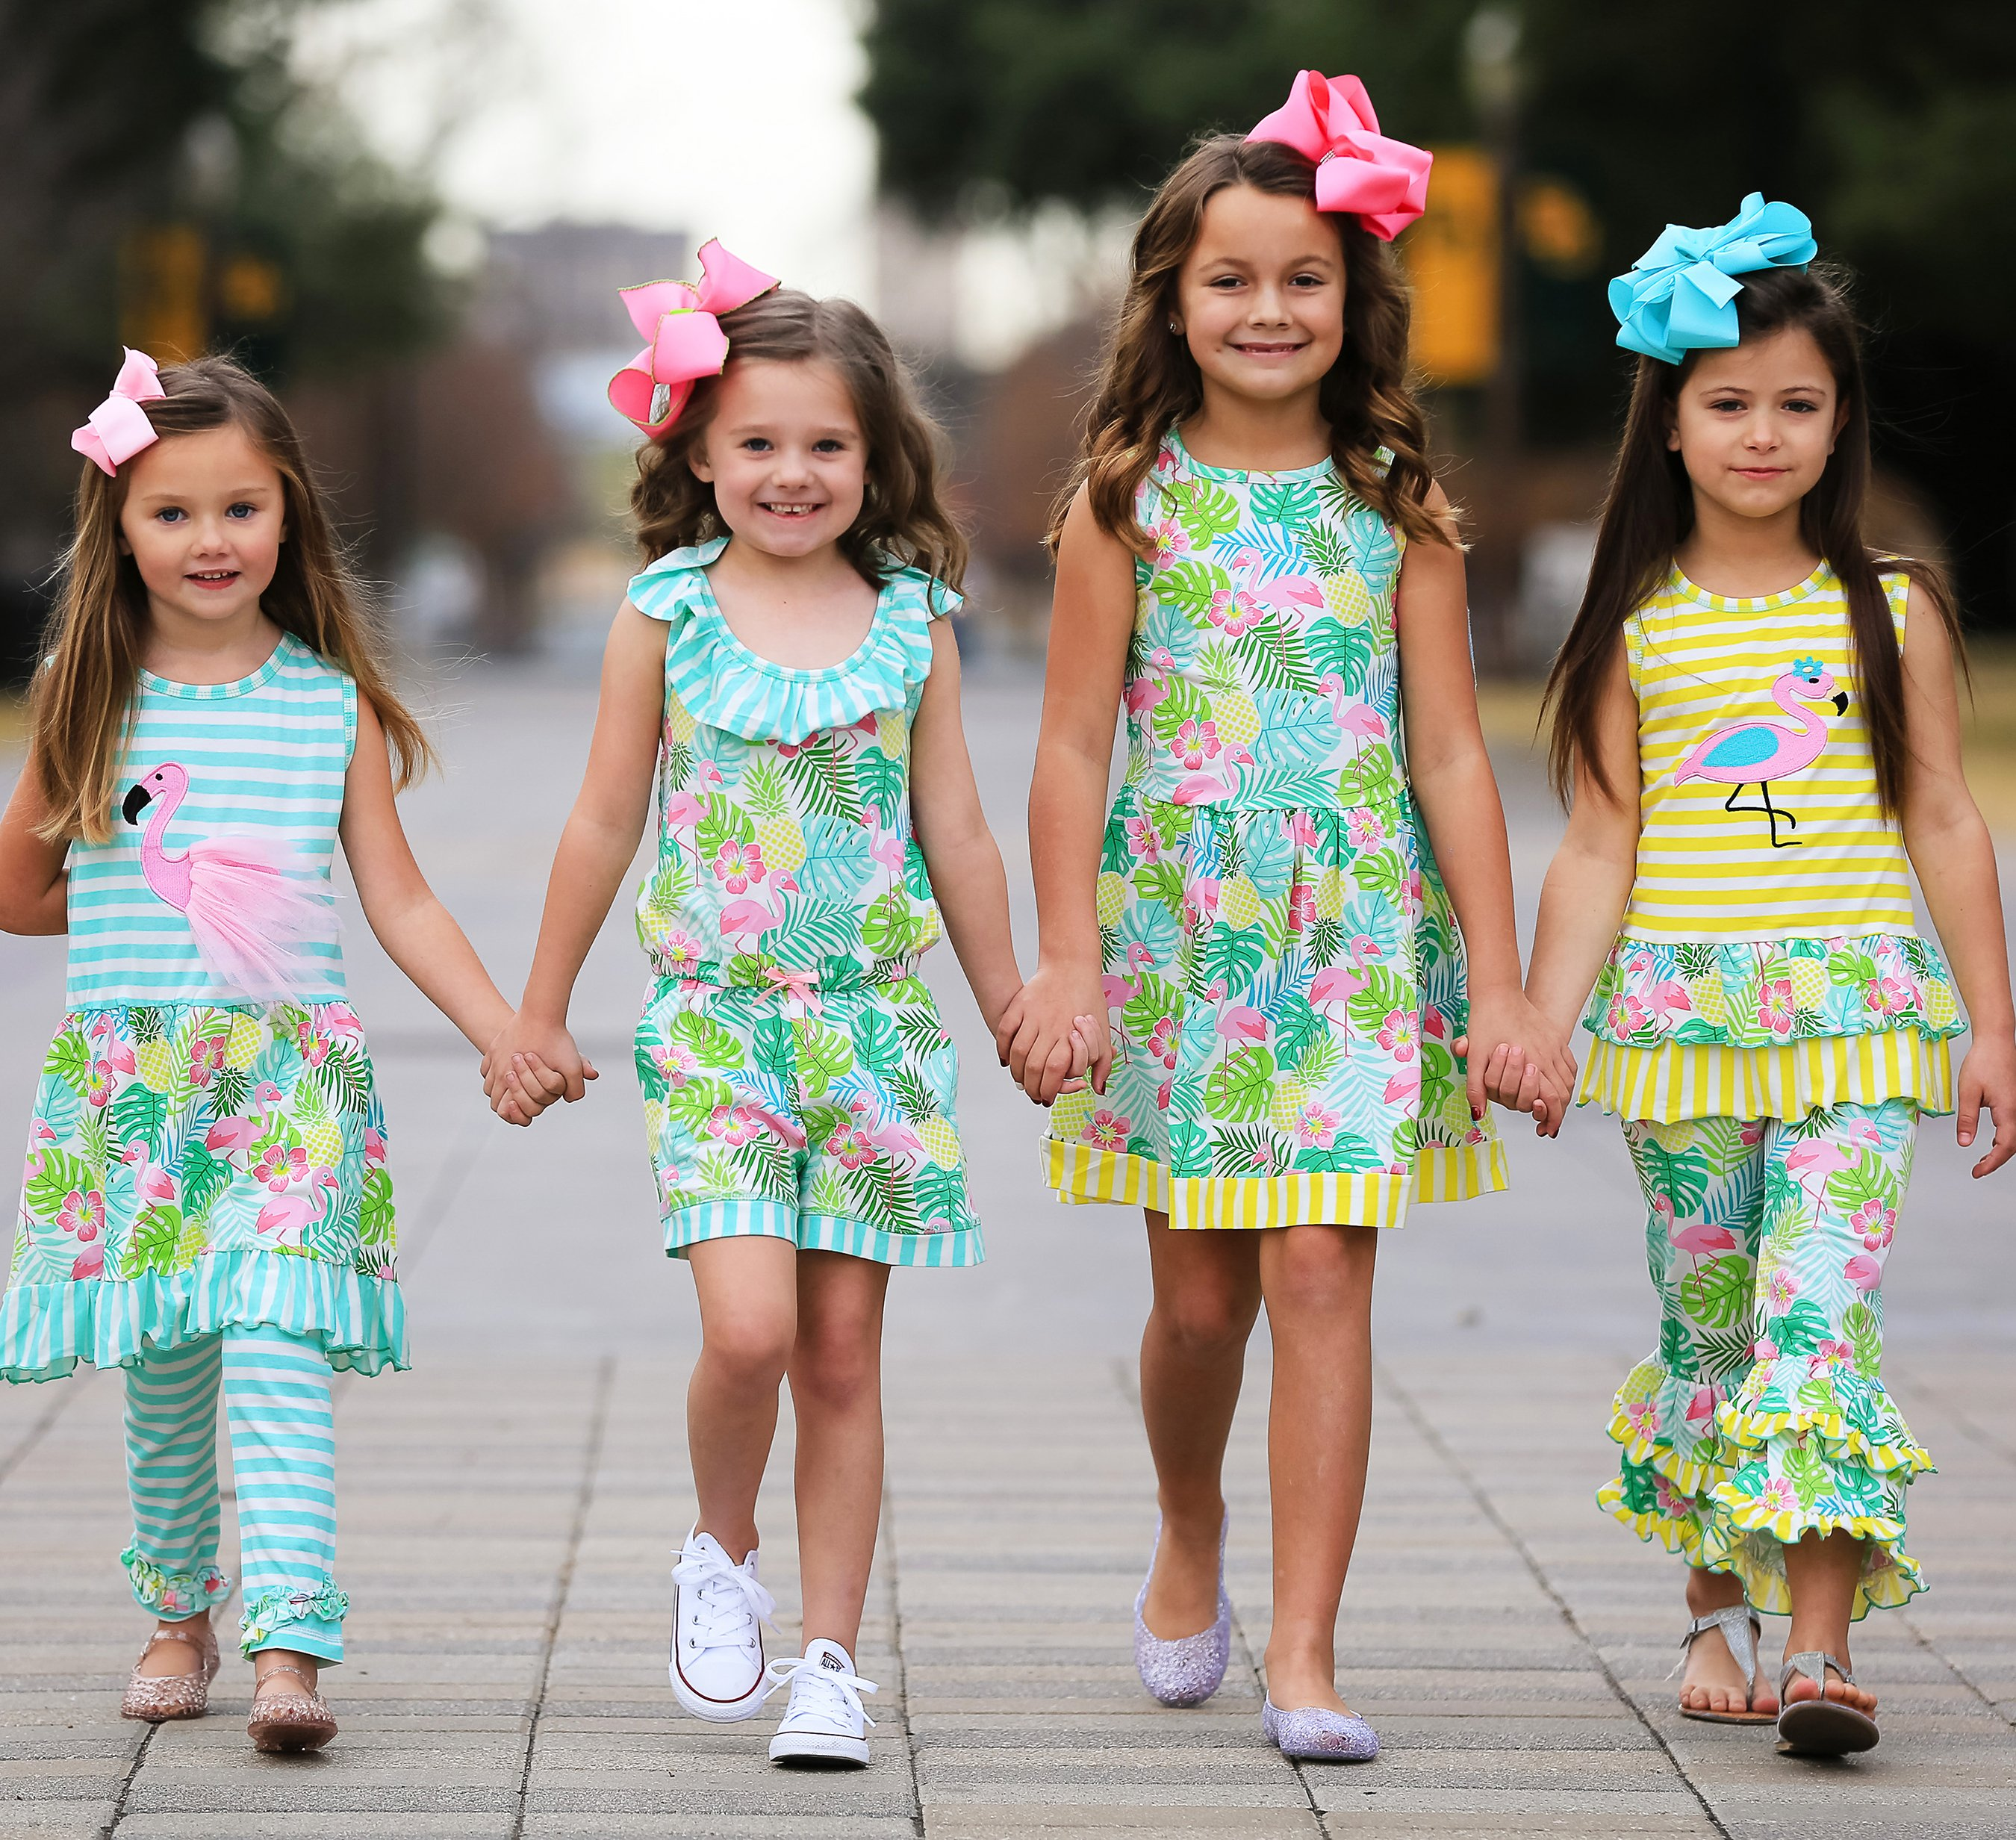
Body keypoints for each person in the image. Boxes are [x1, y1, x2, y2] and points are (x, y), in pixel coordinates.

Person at [998, 72, 1572, 1762]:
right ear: (1174, 302)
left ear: (1353, 298)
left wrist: (1509, 985)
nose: (1268, 307)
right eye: (1231, 278)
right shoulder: (1126, 499)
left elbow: (1456, 751)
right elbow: (1074, 743)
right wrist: (1064, 956)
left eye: (1302, 277)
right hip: (1184, 943)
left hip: (1349, 947)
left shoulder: (1397, 497)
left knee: (1322, 1266)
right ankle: (1190, 1527)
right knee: (1199, 1307)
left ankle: (1308, 1650)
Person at [484, 246, 1074, 1769]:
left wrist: (1009, 1000)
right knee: (747, 1333)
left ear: (875, 459)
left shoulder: (913, 622)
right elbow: (603, 823)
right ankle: (716, 1549)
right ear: (696, 448)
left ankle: (827, 1659)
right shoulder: (663, 616)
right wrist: (534, 1012)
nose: (792, 471)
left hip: (876, 1033)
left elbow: (958, 829)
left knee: (842, 1359)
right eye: (757, 441)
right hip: (721, 1029)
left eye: (825, 443)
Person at [1525, 196, 2016, 1756]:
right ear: (1668, 422)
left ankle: (1819, 1640)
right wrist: (1541, 1013)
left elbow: (1943, 812)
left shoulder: (1891, 606)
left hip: (1862, 1029)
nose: (1763, 432)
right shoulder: (1636, 627)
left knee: (1819, 1320)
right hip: (1679, 1034)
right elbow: (1602, 841)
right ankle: (1712, 1607)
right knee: (1715, 1324)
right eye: (1729, 402)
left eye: (1797, 403)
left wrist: (1992, 1020)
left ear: (1839, 420)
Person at [0, 352, 537, 1753]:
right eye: (172, 513)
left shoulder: (323, 702)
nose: (210, 539)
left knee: (282, 1343)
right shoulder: (84, 691)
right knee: (169, 1362)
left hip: (290, 1086)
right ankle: (178, 1613)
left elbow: (399, 895)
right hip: (139, 1093)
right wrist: (117, 885)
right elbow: (19, 892)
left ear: (289, 514)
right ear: (116, 527)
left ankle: (291, 1645)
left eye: (241, 507)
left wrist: (504, 1032)